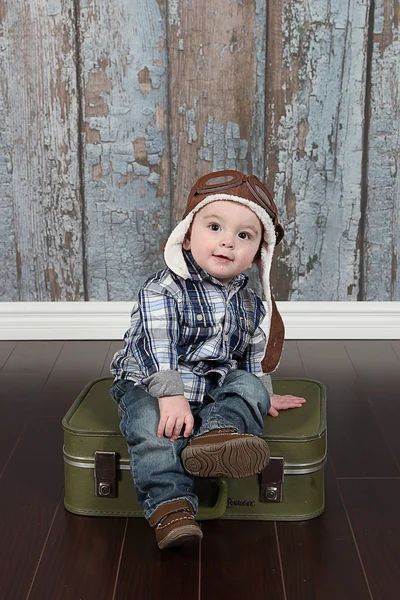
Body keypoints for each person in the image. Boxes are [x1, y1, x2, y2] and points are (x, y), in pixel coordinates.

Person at [110, 170, 305, 550]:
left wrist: (262, 394)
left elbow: (251, 355)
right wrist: (170, 394)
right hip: (152, 381)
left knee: (247, 386)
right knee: (153, 427)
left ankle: (219, 435)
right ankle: (171, 507)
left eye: (244, 236)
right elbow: (157, 342)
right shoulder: (164, 289)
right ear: (187, 234)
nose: (227, 242)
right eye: (214, 227)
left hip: (213, 385)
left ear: (257, 255)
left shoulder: (249, 301)